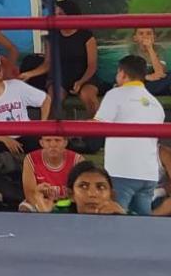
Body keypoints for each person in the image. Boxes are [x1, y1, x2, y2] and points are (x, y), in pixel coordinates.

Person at [94, 54, 166, 216]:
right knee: (141, 226)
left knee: (114, 222)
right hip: (148, 173)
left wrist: (67, 128)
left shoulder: (115, 94)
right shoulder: (156, 103)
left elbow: (97, 126)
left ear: (122, 73)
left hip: (121, 170)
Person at [18, 0, 100, 117]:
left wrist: (81, 81)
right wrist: (29, 74)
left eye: (60, 14)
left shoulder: (86, 36)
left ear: (71, 15)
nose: (57, 17)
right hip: (60, 78)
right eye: (55, 14)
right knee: (53, 100)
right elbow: (47, 64)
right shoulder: (52, 37)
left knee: (88, 97)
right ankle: (51, 134)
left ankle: (98, 131)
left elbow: (92, 65)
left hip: (85, 77)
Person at [0, 59, 51, 159]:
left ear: (0, 74)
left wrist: (42, 125)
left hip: (25, 134)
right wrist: (5, 139)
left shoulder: (16, 86)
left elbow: (46, 99)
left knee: (48, 144)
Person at [19, 135, 80, 213]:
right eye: (48, 140)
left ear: (65, 142)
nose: (53, 144)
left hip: (68, 202)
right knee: (25, 208)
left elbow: (80, 193)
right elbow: (30, 194)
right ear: (41, 143)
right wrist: (43, 205)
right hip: (41, 200)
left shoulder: (77, 160)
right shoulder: (30, 159)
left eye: (57, 140)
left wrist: (58, 205)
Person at [57, 161, 126, 215]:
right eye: (83, 186)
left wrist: (121, 220)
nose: (92, 194)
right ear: (71, 194)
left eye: (101, 187)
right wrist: (46, 216)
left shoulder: (130, 217)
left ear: (112, 195)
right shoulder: (56, 217)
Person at [132, 27, 170, 96]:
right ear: (135, 38)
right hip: (140, 83)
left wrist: (150, 48)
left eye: (149, 34)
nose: (145, 36)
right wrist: (146, 77)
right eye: (141, 34)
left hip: (156, 82)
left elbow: (160, 73)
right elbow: (128, 74)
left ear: (154, 38)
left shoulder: (160, 49)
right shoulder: (131, 50)